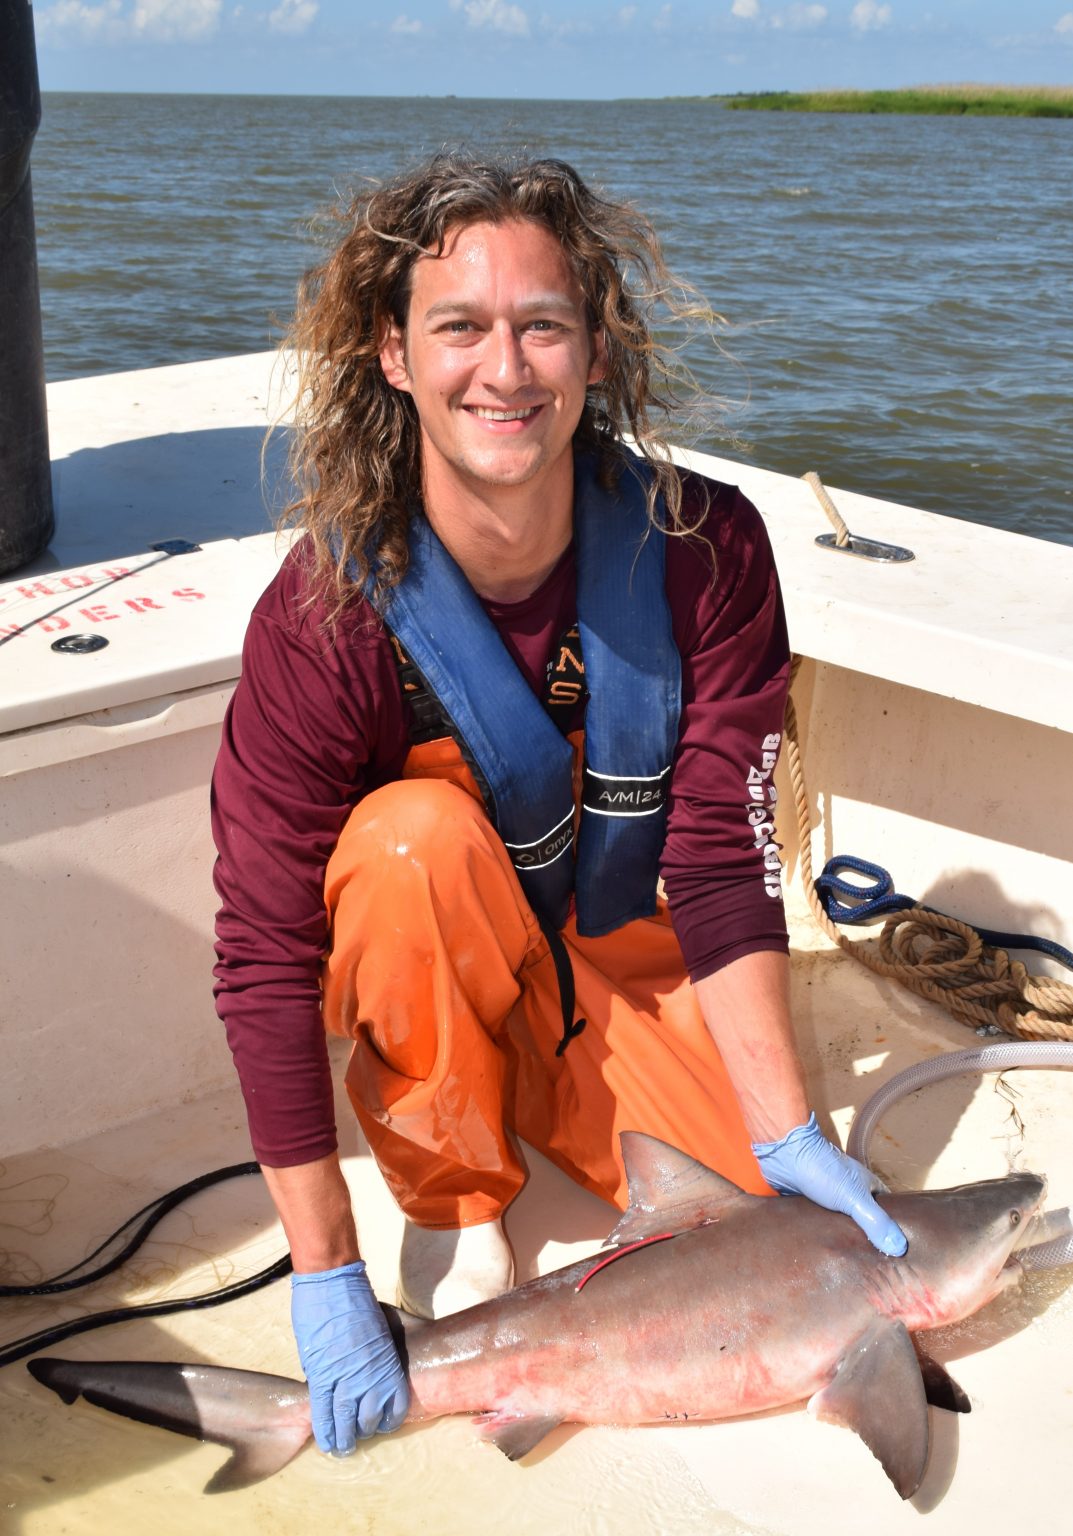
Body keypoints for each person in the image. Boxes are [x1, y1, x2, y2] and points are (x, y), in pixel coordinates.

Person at [211, 150, 907, 1463]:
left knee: (785, 1244)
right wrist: (323, 1264)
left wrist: (787, 1130)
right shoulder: (326, 618)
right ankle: (453, 1187)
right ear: (392, 355)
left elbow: (719, 854)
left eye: (542, 324)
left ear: (595, 346)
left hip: (619, 950)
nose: (506, 368)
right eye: (458, 327)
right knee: (407, 840)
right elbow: (262, 952)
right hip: (442, 950)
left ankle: (558, 1095)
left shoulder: (706, 550)